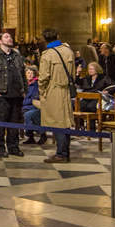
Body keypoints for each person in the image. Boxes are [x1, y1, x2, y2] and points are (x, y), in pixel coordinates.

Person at [0, 28, 25, 158]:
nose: (10, 39)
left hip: (17, 95)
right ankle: (0, 148)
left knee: (14, 124)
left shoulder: (16, 55)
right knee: (0, 123)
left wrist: (24, 90)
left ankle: (13, 147)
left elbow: (22, 73)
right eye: (7, 37)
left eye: (10, 37)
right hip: (1, 94)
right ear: (0, 41)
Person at [38, 26, 77, 163]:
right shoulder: (68, 51)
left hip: (53, 90)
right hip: (66, 90)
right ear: (58, 36)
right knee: (65, 123)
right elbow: (73, 73)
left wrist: (42, 92)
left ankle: (61, 154)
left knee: (57, 123)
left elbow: (43, 77)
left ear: (44, 39)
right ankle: (65, 152)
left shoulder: (47, 54)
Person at [22, 66, 44, 145]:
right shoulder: (23, 84)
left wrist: (25, 101)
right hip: (24, 107)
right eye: (28, 73)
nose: (30, 75)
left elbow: (34, 99)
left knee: (28, 115)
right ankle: (33, 136)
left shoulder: (36, 85)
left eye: (32, 73)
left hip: (34, 107)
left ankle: (40, 134)